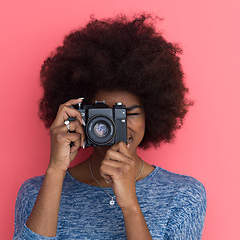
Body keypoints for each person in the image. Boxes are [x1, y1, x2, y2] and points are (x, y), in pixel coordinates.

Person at [13, 13, 206, 240]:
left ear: (151, 115)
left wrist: (130, 206)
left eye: (129, 113)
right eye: (103, 114)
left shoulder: (183, 195)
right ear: (81, 115)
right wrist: (56, 170)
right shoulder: (35, 193)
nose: (116, 124)